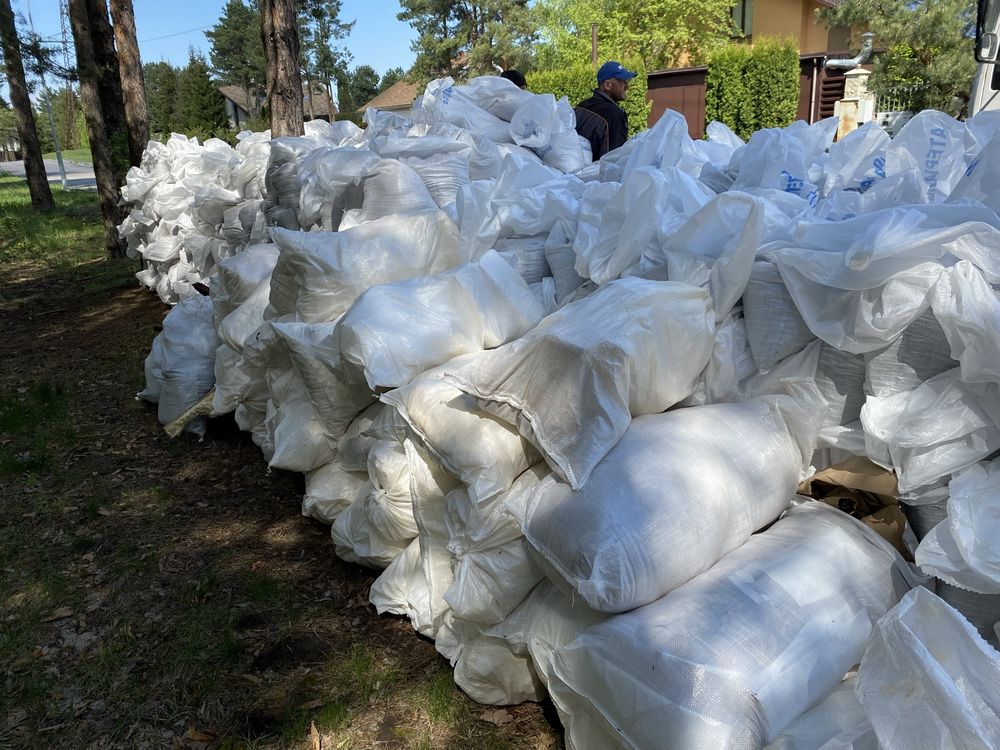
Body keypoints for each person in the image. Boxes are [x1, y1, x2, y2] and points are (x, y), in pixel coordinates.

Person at [574, 61, 637, 160]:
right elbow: (614, 161)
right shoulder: (614, 115)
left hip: (573, 172)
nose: (627, 86)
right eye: (623, 81)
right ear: (608, 85)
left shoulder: (580, 107)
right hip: (596, 174)